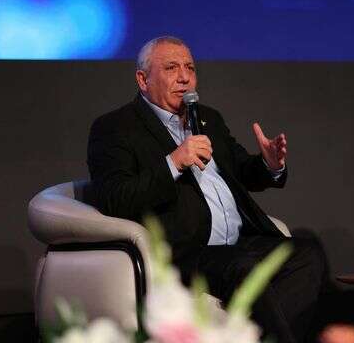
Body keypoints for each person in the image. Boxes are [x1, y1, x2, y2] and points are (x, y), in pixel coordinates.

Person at [87, 36, 324, 343]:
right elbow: (115, 198)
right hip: (185, 251)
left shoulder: (208, 118)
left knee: (306, 253)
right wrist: (174, 162)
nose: (184, 77)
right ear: (143, 79)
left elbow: (243, 173)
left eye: (190, 68)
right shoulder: (115, 127)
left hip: (240, 243)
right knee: (243, 267)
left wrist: (269, 165)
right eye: (171, 68)